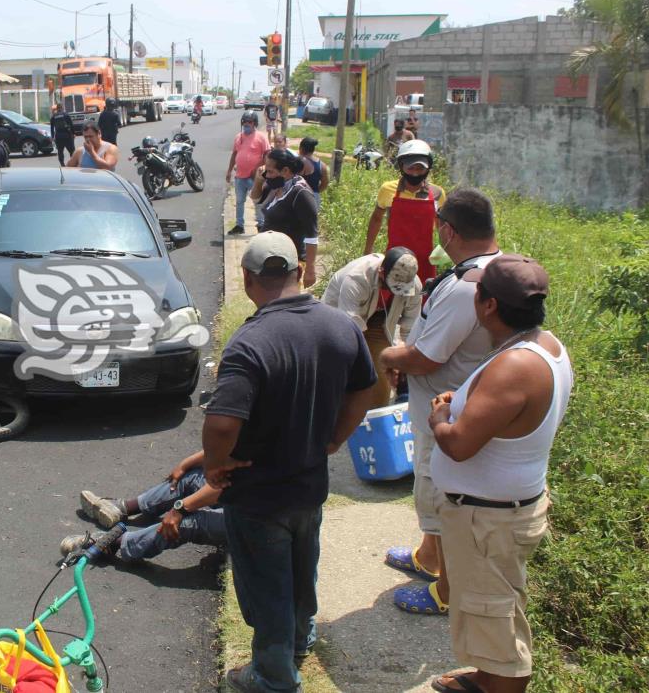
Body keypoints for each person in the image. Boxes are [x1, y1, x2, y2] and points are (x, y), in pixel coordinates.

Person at [204, 232, 378, 693]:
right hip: (310, 484)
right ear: (300, 270)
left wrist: (215, 467)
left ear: (247, 278)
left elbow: (222, 423)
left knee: (267, 588)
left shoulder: (251, 342)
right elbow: (366, 388)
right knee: (303, 570)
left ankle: (274, 677)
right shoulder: (341, 326)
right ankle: (301, 638)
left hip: (259, 494)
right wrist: (337, 437)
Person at [428, 254, 571, 693]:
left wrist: (440, 418)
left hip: (488, 522)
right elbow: (507, 416)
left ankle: (500, 681)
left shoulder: (515, 366)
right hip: (497, 513)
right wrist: (469, 402)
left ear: (489, 306)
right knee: (492, 612)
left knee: (498, 623)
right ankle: (485, 676)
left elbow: (458, 445)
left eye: (477, 293)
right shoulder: (544, 345)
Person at [379, 189, 502, 616]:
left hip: (445, 409)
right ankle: (428, 556)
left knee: (440, 491)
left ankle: (445, 591)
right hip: (444, 401)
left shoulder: (466, 286)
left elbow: (427, 356)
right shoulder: (489, 269)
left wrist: (390, 355)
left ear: (448, 231)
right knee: (429, 486)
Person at [59, 450, 226, 562]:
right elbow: (222, 453)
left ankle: (115, 542)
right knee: (195, 476)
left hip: (249, 522)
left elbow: (229, 486)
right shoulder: (248, 426)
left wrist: (180, 509)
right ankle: (122, 508)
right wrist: (184, 465)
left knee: (189, 523)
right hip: (240, 499)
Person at [323, 247, 422, 409]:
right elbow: (350, 331)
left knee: (381, 368)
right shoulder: (356, 279)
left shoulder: (413, 285)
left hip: (379, 317)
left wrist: (401, 360)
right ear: (382, 272)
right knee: (345, 367)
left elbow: (411, 329)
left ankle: (377, 414)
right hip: (341, 317)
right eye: (393, 286)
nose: (396, 291)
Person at [363, 139, 446, 284]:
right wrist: (367, 251)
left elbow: (442, 227)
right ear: (401, 167)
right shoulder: (387, 189)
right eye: (410, 168)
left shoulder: (437, 193)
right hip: (395, 258)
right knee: (389, 300)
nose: (415, 173)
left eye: (420, 168)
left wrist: (445, 250)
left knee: (421, 300)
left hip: (425, 261)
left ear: (428, 168)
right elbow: (377, 218)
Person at [251, 148, 319, 288]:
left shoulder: (301, 194)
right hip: (271, 258)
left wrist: (310, 271)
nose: (267, 175)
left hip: (290, 263)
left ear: (285, 171)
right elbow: (256, 197)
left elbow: (312, 235)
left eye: (270, 171)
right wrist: (258, 181)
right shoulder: (277, 186)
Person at [225, 111, 271, 235]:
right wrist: (229, 171)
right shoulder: (238, 137)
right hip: (240, 176)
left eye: (249, 122)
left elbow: (267, 154)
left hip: (254, 176)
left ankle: (261, 224)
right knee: (239, 201)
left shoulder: (261, 137)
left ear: (254, 123)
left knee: (258, 200)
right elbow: (235, 154)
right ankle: (239, 225)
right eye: (244, 121)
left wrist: (260, 168)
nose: (246, 124)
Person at [298, 137, 330, 201]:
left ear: (301, 148)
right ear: (313, 149)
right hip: (314, 197)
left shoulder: (298, 161)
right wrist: (314, 191)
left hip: (299, 195)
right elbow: (325, 184)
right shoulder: (322, 165)